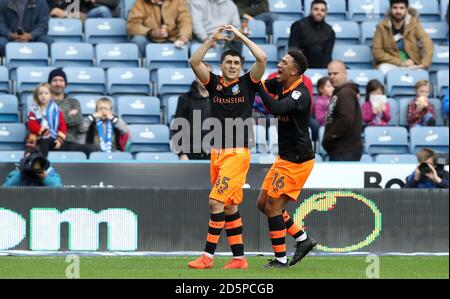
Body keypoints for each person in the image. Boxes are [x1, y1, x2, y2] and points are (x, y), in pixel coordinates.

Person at [187, 24, 267, 269]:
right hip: (217, 153)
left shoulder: (248, 82)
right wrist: (212, 38)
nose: (232, 65)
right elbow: (194, 61)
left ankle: (207, 257)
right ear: (221, 66)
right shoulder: (214, 83)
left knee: (215, 202)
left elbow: (262, 58)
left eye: (236, 62)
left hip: (237, 152)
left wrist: (240, 36)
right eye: (228, 62)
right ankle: (239, 258)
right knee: (230, 205)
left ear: (240, 66)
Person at [255, 48, 316, 268]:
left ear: (295, 70)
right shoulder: (281, 82)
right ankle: (302, 239)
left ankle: (280, 260)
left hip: (297, 162)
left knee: (273, 208)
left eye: (283, 62)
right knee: (263, 203)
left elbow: (275, 107)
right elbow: (257, 87)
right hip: (285, 157)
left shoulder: (300, 94)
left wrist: (258, 85)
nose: (279, 65)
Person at [372, 0, 434, 75]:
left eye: (401, 8)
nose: (398, 11)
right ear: (391, 9)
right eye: (395, 8)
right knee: (382, 69)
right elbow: (377, 53)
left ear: (406, 10)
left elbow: (428, 45)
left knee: (421, 74)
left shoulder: (414, 25)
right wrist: (401, 63)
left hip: (412, 65)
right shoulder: (381, 27)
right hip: (391, 64)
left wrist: (424, 64)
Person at [48, 68, 97, 155]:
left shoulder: (73, 102)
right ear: (49, 84)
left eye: (61, 80)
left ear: (65, 84)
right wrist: (68, 116)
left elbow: (77, 121)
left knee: (92, 149)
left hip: (69, 143)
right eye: (54, 80)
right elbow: (46, 124)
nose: (58, 83)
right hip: (49, 142)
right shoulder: (45, 102)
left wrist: (55, 119)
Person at [171, 62, 213, 160]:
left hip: (214, 155)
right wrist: (181, 153)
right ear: (196, 77)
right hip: (190, 155)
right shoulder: (185, 99)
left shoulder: (219, 99)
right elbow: (178, 128)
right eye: (201, 74)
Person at [323, 60, 363, 161]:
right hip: (342, 149)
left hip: (345, 150)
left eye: (335, 73)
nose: (331, 76)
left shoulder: (345, 93)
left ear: (345, 74)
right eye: (329, 74)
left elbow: (346, 119)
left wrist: (329, 137)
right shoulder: (340, 92)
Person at [127, 0, 192, 56]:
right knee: (138, 40)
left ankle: (178, 69)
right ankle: (143, 67)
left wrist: (184, 35)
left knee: (187, 44)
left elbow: (185, 20)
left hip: (172, 39)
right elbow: (132, 25)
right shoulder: (140, 3)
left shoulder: (178, 1)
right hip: (149, 39)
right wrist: (150, 32)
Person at [288, 0, 335, 69]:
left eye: (322, 10)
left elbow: (327, 54)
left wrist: (322, 72)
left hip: (321, 65)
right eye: (316, 9)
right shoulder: (298, 26)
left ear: (326, 13)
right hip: (301, 65)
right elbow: (293, 50)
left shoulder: (330, 30)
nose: (319, 12)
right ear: (311, 10)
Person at [27, 83, 67, 158]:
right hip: (38, 137)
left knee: (51, 142)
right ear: (37, 96)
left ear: (51, 95)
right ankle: (40, 165)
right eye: (40, 93)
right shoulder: (34, 110)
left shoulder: (57, 110)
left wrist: (60, 139)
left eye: (46, 93)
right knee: (38, 142)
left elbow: (62, 125)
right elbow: (31, 124)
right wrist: (42, 131)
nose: (43, 95)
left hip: (54, 137)